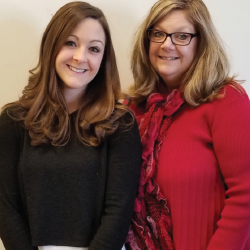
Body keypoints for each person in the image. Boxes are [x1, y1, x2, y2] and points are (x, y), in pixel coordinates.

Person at [0, 2, 142, 250]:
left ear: (103, 59)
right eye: (70, 43)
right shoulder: (13, 120)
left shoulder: (121, 123)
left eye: (94, 49)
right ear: (51, 45)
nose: (80, 57)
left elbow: (119, 211)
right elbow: (5, 206)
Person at [125, 0, 250, 249]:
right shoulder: (134, 110)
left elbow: (245, 195)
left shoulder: (226, 100)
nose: (166, 44)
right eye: (158, 33)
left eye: (182, 36)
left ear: (201, 43)